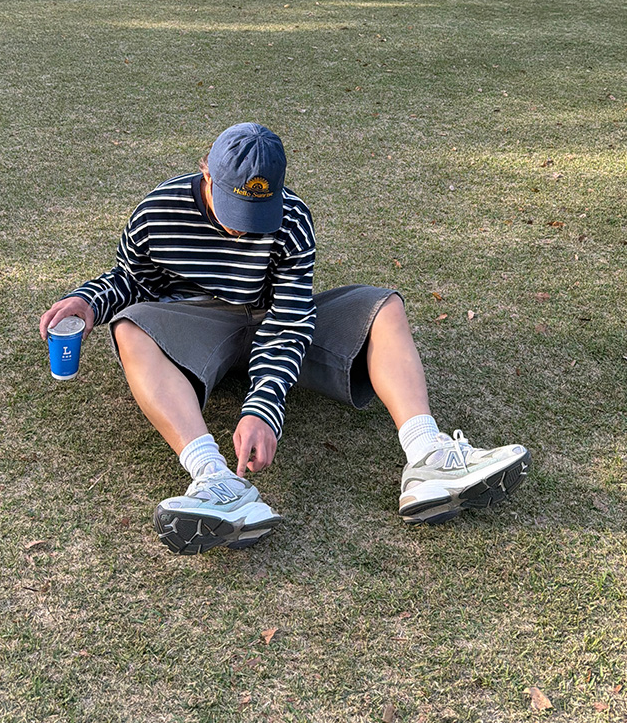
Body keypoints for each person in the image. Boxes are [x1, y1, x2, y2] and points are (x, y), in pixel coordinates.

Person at [39, 123, 531, 556]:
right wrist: (89, 301)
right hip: (198, 325)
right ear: (205, 171)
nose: (244, 230)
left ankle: (428, 456)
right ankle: (214, 480)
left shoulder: (292, 217)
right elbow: (132, 279)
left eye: (258, 213)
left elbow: (290, 319)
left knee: (384, 307)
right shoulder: (156, 212)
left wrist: (263, 409)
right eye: (234, 209)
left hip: (271, 319)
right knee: (130, 325)